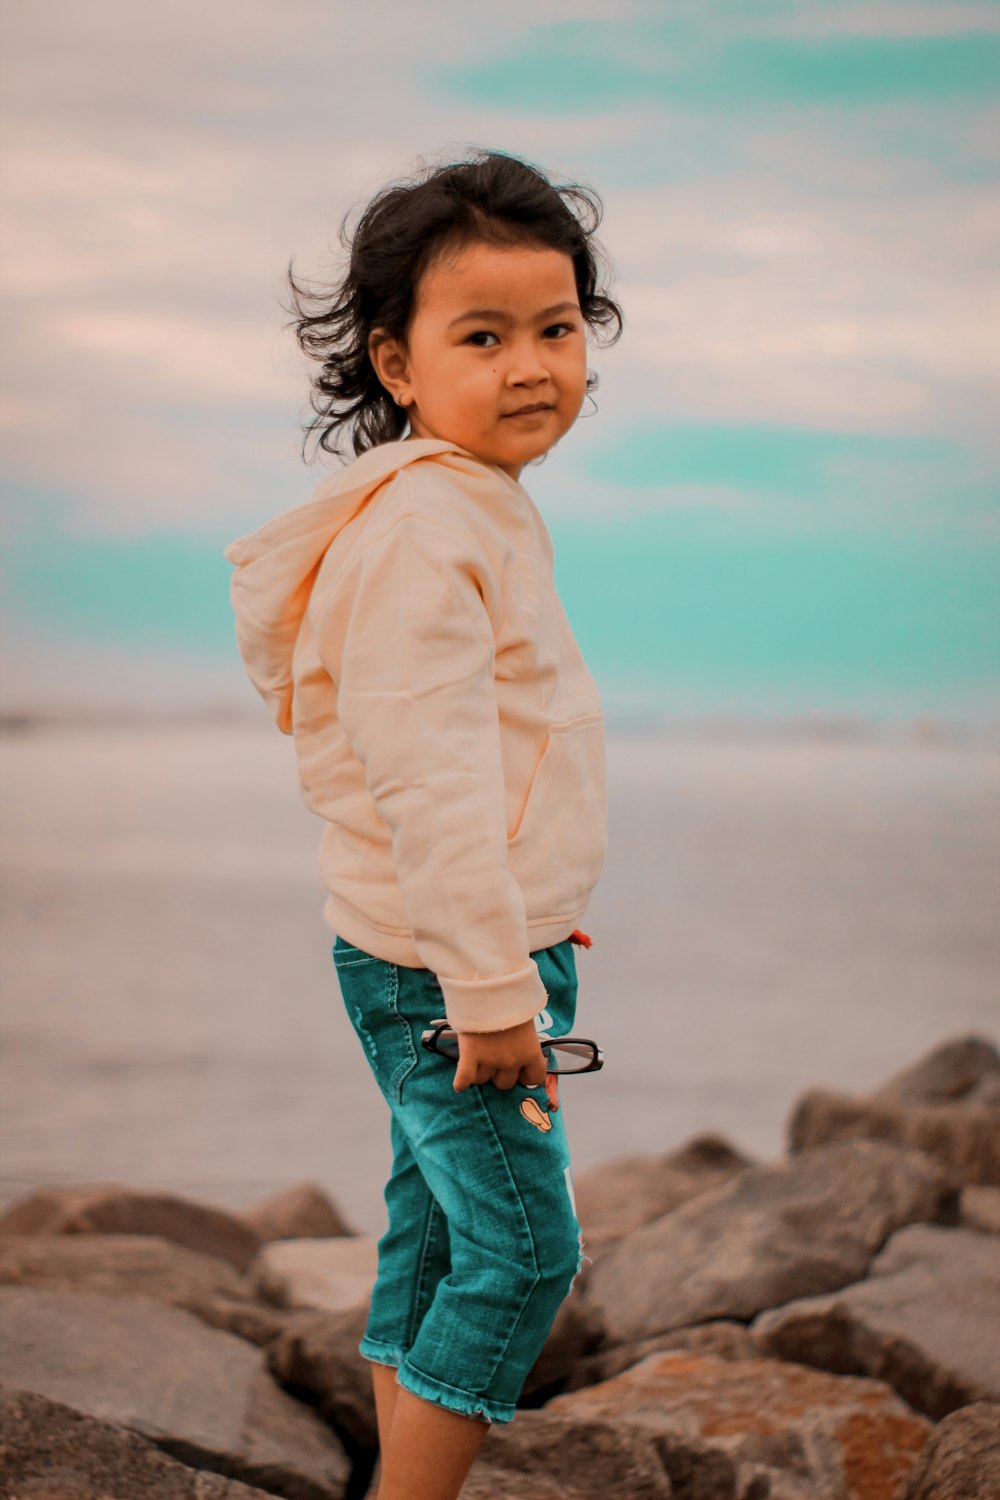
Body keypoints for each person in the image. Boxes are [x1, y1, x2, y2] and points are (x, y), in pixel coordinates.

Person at [224, 146, 623, 1500]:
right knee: (522, 1257)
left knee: (437, 1238)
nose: (532, 365)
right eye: (484, 336)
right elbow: (431, 783)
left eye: (557, 328)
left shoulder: (474, 506)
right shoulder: (422, 533)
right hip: (451, 968)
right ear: (397, 365)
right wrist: (496, 989)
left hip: (454, 954)